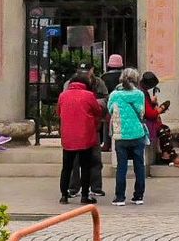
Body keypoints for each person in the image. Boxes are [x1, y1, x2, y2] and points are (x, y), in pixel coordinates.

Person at [57, 74, 104, 203]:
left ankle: (64, 195)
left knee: (67, 167)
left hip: (68, 138)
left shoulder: (63, 96)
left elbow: (58, 112)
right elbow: (98, 111)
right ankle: (84, 195)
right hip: (85, 136)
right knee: (85, 166)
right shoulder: (88, 96)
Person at [108, 69, 150, 205]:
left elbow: (110, 110)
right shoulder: (139, 94)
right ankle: (139, 196)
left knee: (122, 167)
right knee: (139, 166)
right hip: (138, 134)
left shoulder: (114, 95)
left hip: (121, 135)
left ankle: (120, 197)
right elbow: (142, 113)